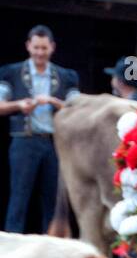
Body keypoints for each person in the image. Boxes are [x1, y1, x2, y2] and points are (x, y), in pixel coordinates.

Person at [0, 25, 80, 233]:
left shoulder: (66, 76)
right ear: (28, 46)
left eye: (44, 48)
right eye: (36, 47)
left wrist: (53, 102)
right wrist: (19, 105)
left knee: (53, 201)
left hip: (55, 143)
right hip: (24, 141)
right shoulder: (11, 72)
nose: (40, 53)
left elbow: (77, 108)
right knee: (18, 198)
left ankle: (51, 250)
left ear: (52, 47)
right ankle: (9, 249)